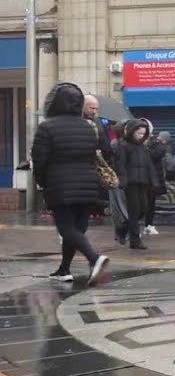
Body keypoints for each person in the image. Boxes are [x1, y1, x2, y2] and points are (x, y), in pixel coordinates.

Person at [31, 83, 110, 284]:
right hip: (88, 184)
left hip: (60, 184)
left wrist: (42, 182)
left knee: (67, 229)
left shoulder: (47, 127)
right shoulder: (88, 126)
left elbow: (39, 160)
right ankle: (64, 270)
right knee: (77, 230)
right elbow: (96, 154)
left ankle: (94, 258)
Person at [117, 119, 154, 250]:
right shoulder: (124, 146)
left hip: (143, 182)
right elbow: (121, 164)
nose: (141, 135)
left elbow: (148, 165)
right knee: (134, 211)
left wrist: (153, 181)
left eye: (143, 133)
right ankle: (135, 240)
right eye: (139, 133)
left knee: (143, 209)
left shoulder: (143, 147)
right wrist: (123, 180)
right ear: (132, 132)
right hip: (131, 183)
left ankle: (123, 229)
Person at [143, 130, 170, 236]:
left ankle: (148, 225)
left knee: (151, 204)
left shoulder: (156, 145)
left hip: (152, 179)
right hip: (143, 178)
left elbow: (159, 153)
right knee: (142, 204)